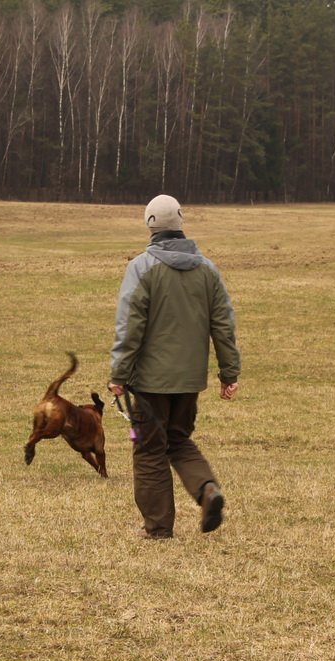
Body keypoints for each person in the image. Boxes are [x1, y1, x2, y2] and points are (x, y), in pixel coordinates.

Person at [108, 194, 241, 540]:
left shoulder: (141, 268)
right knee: (179, 440)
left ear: (149, 224)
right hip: (189, 379)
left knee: (150, 450)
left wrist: (118, 375)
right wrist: (230, 373)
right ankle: (207, 488)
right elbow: (224, 324)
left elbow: (130, 326)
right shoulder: (208, 270)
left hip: (150, 382)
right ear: (181, 221)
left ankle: (158, 528)